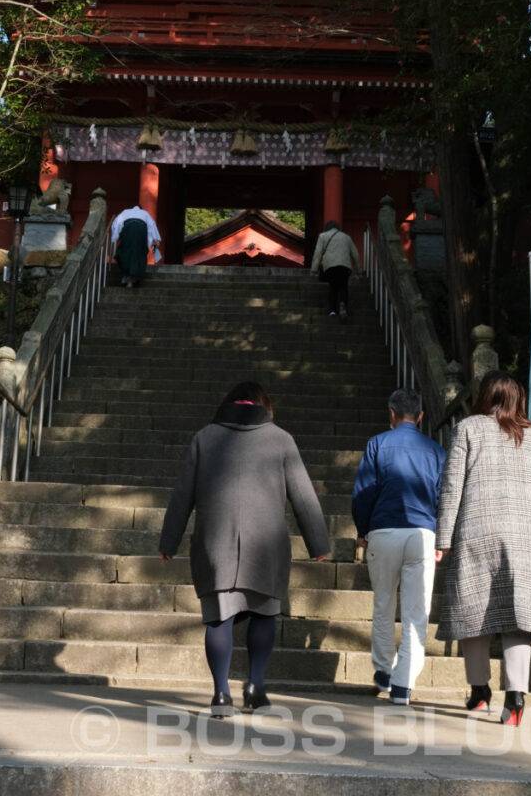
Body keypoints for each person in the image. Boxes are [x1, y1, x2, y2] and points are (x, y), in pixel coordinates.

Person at [158, 381, 331, 717]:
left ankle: (221, 695)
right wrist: (318, 542)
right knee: (265, 613)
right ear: (264, 406)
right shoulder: (281, 439)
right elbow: (304, 495)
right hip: (265, 545)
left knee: (219, 617)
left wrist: (169, 541)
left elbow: (183, 494)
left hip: (215, 542)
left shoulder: (205, 437)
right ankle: (255, 688)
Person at [435, 370, 531, 727]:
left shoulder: (468, 428)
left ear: (485, 396)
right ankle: (516, 698)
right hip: (527, 536)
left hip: (477, 531)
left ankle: (479, 693)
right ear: (517, 399)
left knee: (474, 615)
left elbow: (451, 487)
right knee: (518, 620)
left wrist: (444, 538)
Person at [352, 388, 446, 706]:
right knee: (416, 612)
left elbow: (364, 491)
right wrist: (441, 538)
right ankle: (403, 685)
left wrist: (363, 530)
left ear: (391, 413)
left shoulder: (377, 444)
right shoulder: (435, 451)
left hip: (384, 531)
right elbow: (443, 497)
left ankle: (383, 671)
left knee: (383, 605)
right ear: (420, 416)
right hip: (422, 534)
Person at [310, 220, 362, 319]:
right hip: (344, 266)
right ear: (338, 228)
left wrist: (314, 270)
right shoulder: (346, 237)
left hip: (330, 266)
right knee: (343, 286)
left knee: (333, 287)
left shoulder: (322, 236)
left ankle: (332, 310)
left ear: (327, 228)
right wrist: (359, 271)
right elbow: (355, 254)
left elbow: (317, 254)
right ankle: (342, 304)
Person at [111, 204, 161, 287]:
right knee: (139, 254)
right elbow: (152, 225)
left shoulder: (125, 212)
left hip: (128, 231)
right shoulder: (145, 213)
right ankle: (133, 278)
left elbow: (116, 223)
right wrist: (156, 239)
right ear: (140, 209)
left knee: (124, 252)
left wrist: (115, 236)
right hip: (141, 233)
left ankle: (127, 276)